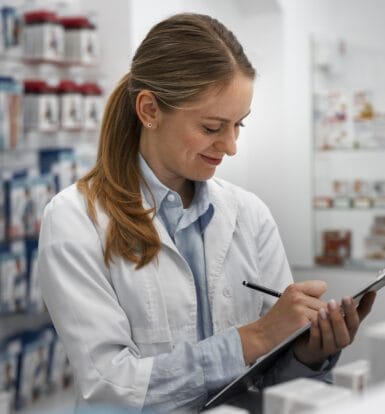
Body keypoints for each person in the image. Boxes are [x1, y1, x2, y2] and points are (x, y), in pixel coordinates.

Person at [37, 13, 376, 413]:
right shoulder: (76, 220)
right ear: (149, 109)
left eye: (239, 126)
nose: (230, 146)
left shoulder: (249, 214)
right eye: (213, 127)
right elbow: (111, 384)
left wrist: (308, 353)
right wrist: (255, 337)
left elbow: (265, 379)